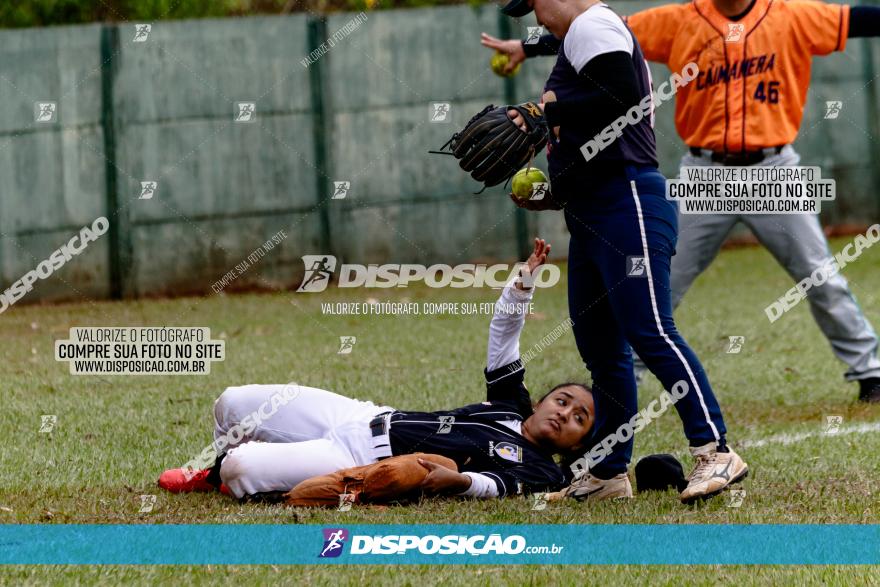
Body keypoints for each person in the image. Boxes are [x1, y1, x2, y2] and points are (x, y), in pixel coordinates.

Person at [483, 0, 880, 403]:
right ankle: (630, 376)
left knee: (821, 276)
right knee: (658, 278)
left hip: (773, 169)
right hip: (704, 172)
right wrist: (526, 47)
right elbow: (599, 33)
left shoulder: (794, 15)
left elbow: (860, 19)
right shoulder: (678, 20)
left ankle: (871, 372)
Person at [497, 0, 748, 504]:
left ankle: (715, 449)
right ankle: (609, 473)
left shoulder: (593, 23)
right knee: (603, 352)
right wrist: (553, 189)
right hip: (593, 208)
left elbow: (625, 95)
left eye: (535, 7)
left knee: (650, 330)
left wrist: (544, 111)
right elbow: (592, 108)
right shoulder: (577, 38)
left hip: (627, 201)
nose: (536, 18)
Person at [158, 239, 594, 500]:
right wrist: (523, 286)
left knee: (242, 469)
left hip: (361, 460)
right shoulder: (509, 407)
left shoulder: (544, 469)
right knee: (232, 403)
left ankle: (230, 477)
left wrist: (460, 481)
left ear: (577, 445)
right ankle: (208, 472)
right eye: (563, 399)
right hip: (362, 416)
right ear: (540, 400)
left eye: (579, 419)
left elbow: (498, 487)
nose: (565, 412)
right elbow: (503, 336)